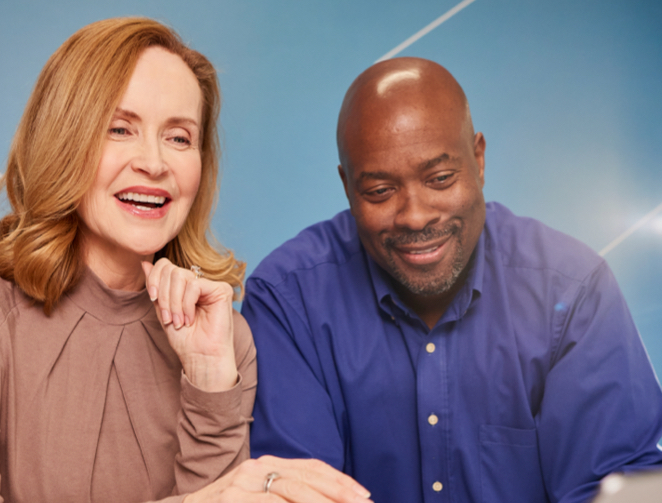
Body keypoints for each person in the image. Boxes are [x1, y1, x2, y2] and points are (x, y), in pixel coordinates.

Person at [0, 17, 372, 503]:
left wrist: (209, 382)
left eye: (179, 137)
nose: (154, 163)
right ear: (63, 140)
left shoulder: (226, 340)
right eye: (120, 129)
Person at [243, 57, 662, 503]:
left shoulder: (574, 291)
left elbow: (610, 491)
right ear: (347, 187)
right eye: (380, 192)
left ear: (478, 160)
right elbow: (297, 492)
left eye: (440, 179)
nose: (416, 215)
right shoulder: (288, 303)